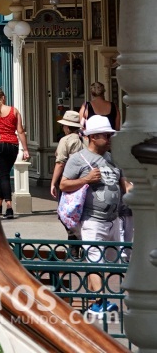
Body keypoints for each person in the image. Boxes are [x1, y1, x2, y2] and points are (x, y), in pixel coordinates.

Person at [62, 114, 131, 309]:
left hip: (114, 219)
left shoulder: (113, 159)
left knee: (106, 262)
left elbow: (124, 185)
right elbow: (64, 184)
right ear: (93, 137)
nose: (110, 139)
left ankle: (95, 301)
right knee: (95, 259)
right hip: (91, 219)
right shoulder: (78, 159)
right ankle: (101, 302)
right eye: (106, 135)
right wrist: (85, 180)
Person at [0, 89, 29, 219]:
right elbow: (20, 131)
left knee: (3, 176)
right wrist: (25, 149)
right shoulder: (14, 111)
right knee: (5, 175)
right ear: (2, 98)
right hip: (13, 145)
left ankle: (9, 207)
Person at [50, 109, 86, 240]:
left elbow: (60, 163)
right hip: (85, 180)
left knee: (65, 213)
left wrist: (53, 183)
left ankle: (74, 241)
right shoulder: (86, 139)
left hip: (69, 180)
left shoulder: (65, 140)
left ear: (67, 126)